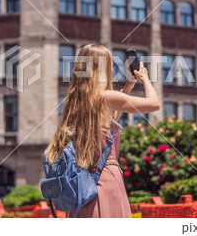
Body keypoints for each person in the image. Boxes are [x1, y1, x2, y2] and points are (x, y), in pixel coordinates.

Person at [44, 44, 160, 218]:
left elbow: (109, 121)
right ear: (104, 68)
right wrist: (145, 78)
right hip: (105, 179)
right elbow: (154, 104)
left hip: (82, 185)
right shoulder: (107, 97)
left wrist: (128, 86)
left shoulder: (75, 100)